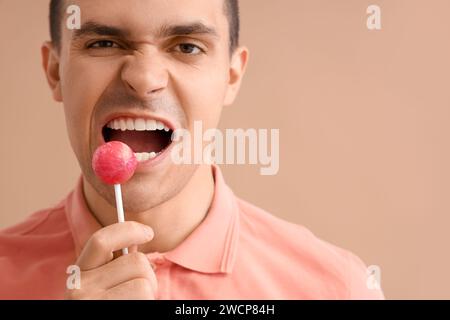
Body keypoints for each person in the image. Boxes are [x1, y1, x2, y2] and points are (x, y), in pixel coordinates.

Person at [0, 0, 385, 300]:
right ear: (54, 71)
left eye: (187, 46)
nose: (143, 77)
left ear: (231, 76)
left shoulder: (337, 288)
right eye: (104, 43)